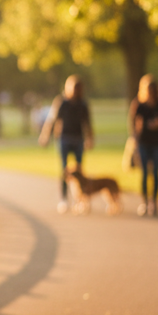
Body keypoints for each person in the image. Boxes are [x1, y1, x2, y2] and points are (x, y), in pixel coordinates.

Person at [38, 75, 94, 213]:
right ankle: (64, 199)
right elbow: (52, 120)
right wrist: (46, 136)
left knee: (79, 171)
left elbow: (87, 123)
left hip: (78, 139)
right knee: (65, 170)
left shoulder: (83, 104)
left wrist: (90, 138)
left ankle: (80, 199)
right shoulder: (62, 102)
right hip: (64, 138)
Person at [130, 74, 158, 216]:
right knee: (144, 173)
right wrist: (134, 137)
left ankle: (154, 202)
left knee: (155, 172)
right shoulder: (139, 105)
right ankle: (144, 202)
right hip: (143, 142)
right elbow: (132, 122)